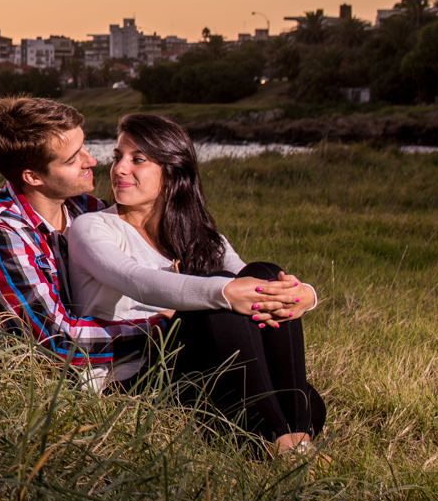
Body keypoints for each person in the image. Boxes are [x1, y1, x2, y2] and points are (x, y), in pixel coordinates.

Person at [67, 113, 325, 454]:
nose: (119, 169)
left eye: (137, 160)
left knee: (264, 273)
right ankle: (285, 439)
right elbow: (137, 280)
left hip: (192, 370)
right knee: (219, 300)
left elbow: (254, 279)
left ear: (173, 171)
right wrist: (222, 292)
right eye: (118, 157)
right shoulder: (93, 228)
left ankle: (291, 437)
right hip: (135, 377)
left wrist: (305, 294)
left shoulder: (201, 236)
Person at [0, 96, 180, 385]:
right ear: (33, 176)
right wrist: (165, 327)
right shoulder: (0, 233)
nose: (92, 161)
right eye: (73, 158)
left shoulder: (86, 209)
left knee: (243, 297)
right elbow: (57, 342)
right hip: (49, 390)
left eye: (84, 146)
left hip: (115, 368)